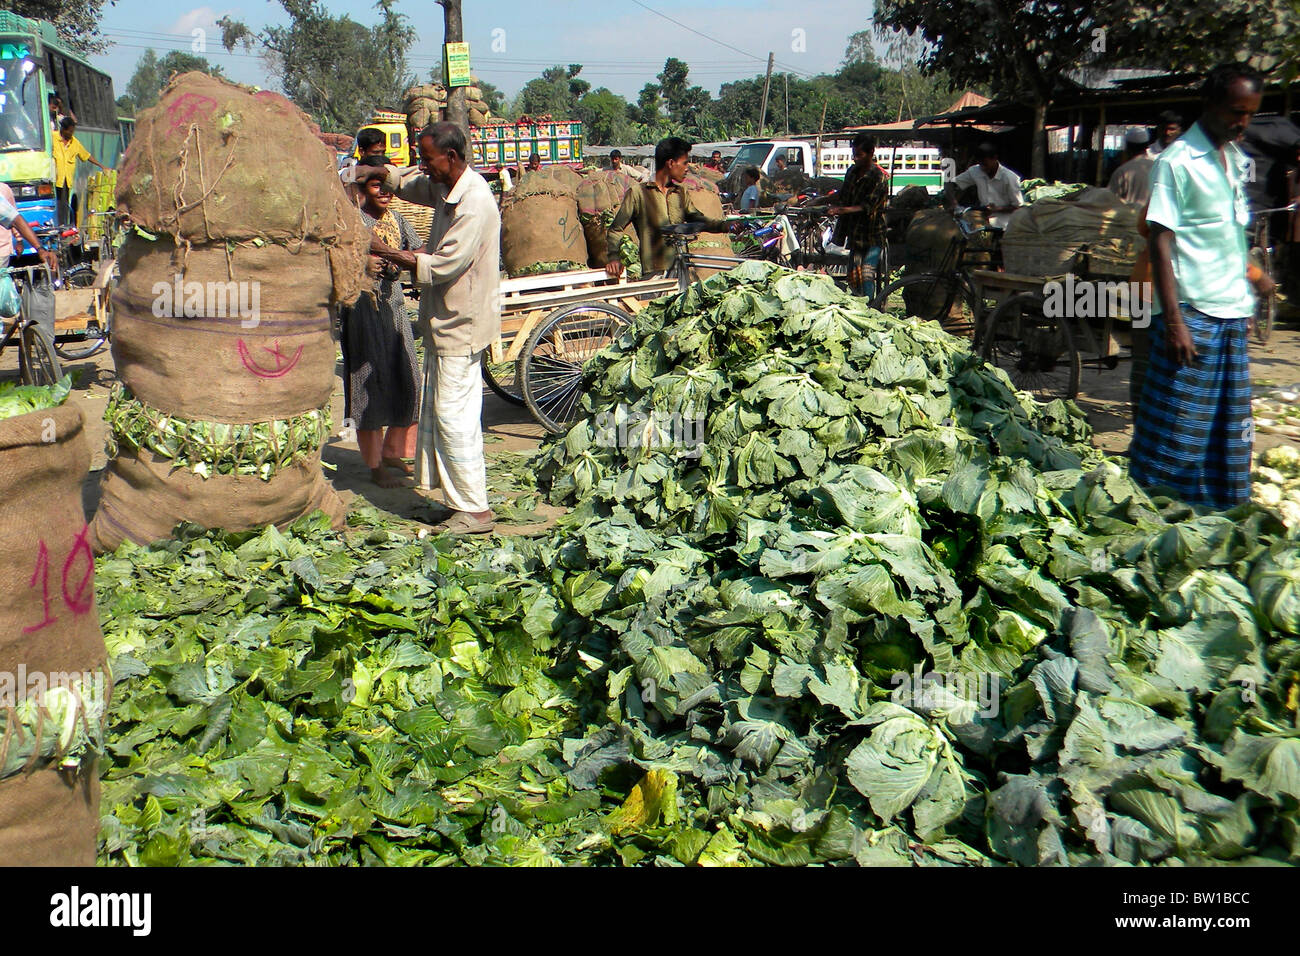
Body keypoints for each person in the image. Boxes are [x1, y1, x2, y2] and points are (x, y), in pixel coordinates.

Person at [1128, 63, 1274, 510]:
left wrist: (1249, 294)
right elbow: (1160, 238)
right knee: (1177, 434)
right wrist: (1173, 322)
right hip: (1191, 316)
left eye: (1249, 114)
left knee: (1227, 433)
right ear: (1209, 104)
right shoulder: (1176, 162)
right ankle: (1153, 522)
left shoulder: (1232, 159)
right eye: (1235, 112)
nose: (1242, 122)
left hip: (1229, 315)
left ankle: (1215, 520)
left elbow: (1227, 239)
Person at [361, 123, 501, 534]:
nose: (424, 166)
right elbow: (409, 183)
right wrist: (375, 171)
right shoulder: (444, 186)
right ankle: (460, 502)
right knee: (443, 413)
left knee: (453, 415)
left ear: (452, 158)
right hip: (445, 323)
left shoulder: (475, 202)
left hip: (463, 323)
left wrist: (386, 251)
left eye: (429, 159)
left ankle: (475, 510)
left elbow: (443, 266)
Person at [338, 155, 422, 489]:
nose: (384, 192)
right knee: (367, 386)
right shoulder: (350, 221)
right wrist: (362, 267)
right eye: (376, 185)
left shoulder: (399, 221)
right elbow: (338, 259)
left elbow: (417, 253)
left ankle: (393, 452)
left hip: (395, 308)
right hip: (361, 310)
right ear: (362, 186)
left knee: (409, 379)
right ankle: (374, 466)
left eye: (388, 186)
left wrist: (399, 265)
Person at [603, 136, 729, 279]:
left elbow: (699, 219)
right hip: (654, 274)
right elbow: (615, 229)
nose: (687, 168)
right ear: (670, 163)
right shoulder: (638, 193)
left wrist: (725, 226)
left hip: (681, 269)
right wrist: (613, 258)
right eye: (685, 163)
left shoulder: (680, 192)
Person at [828, 133, 889, 298]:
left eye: (859, 155)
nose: (855, 159)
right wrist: (823, 199)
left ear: (871, 153)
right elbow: (843, 194)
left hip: (873, 234)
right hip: (855, 234)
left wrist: (840, 211)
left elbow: (867, 207)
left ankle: (871, 309)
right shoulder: (852, 172)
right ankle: (859, 304)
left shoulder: (878, 177)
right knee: (854, 276)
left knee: (867, 274)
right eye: (854, 155)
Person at [944, 142, 1024, 229]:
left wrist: (997, 209)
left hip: (1005, 226)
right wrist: (954, 204)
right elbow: (950, 183)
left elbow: (1018, 207)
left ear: (995, 158)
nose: (983, 168)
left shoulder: (1010, 178)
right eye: (981, 164)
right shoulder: (975, 171)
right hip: (983, 223)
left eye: (985, 164)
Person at [53, 117, 106, 226]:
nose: (71, 134)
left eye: (73, 131)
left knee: (63, 205)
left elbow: (86, 155)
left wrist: (101, 166)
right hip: (54, 179)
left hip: (66, 180)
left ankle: (63, 227)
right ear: (63, 129)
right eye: (69, 131)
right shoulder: (52, 137)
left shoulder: (75, 143)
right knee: (54, 204)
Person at [1108, 128, 1155, 205]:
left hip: (1129, 216)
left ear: (1127, 146)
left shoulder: (1122, 171)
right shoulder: (1158, 168)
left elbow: (1109, 200)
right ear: (1147, 146)